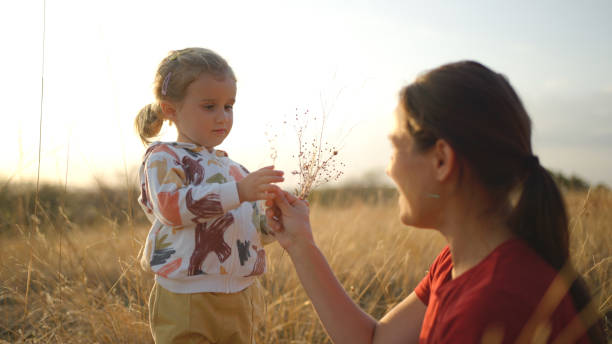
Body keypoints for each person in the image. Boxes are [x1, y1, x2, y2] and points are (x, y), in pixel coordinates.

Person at [265, 61, 605, 343]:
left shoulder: (494, 305)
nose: (389, 168)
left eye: (396, 147)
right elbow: (375, 340)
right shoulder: (458, 265)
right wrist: (300, 243)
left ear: (441, 159)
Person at [134, 47, 284, 344]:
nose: (222, 117)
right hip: (185, 296)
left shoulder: (235, 169)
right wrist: (239, 192)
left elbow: (249, 232)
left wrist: (273, 221)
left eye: (228, 106)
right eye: (209, 106)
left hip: (240, 295)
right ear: (170, 110)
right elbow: (170, 208)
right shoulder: (164, 158)